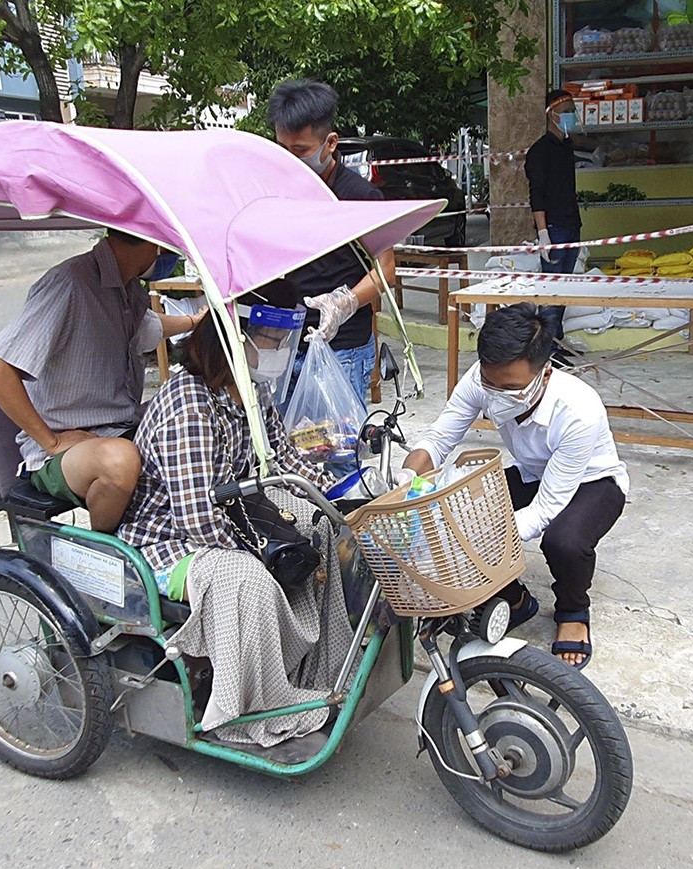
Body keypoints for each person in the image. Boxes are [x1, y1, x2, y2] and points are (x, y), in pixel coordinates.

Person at [117, 308, 352, 758]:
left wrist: (334, 500)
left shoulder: (253, 391)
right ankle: (246, 709)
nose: (278, 350)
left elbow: (284, 461)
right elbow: (197, 517)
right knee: (246, 579)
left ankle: (313, 675)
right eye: (269, 339)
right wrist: (263, 556)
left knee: (321, 532)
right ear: (232, 342)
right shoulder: (188, 402)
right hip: (168, 542)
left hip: (236, 518)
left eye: (282, 340)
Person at [401, 304, 628, 669]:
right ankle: (515, 599)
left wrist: (489, 535)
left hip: (593, 481)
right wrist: (408, 479)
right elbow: (441, 435)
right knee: (455, 510)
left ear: (544, 370)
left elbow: (547, 508)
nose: (497, 394)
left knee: (563, 541)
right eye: (491, 383)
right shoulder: (481, 378)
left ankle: (573, 611)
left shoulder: (579, 409)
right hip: (532, 472)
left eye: (510, 387)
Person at [0, 230, 205, 532]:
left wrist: (194, 323)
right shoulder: (70, 284)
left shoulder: (128, 287)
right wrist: (53, 441)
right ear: (152, 243)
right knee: (119, 461)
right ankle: (106, 553)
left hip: (120, 427)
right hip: (64, 449)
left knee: (194, 411)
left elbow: (147, 327)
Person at [267, 79, 396, 401]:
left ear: (331, 143)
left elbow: (386, 271)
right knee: (286, 446)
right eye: (282, 150)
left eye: (300, 151)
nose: (290, 161)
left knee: (334, 447)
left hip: (342, 348)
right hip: (283, 342)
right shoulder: (276, 193)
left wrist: (343, 303)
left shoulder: (359, 197)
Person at [524, 89, 583, 340]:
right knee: (552, 292)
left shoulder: (567, 147)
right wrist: (543, 233)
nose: (571, 116)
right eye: (566, 112)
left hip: (572, 225)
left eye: (573, 111)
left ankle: (556, 343)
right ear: (552, 115)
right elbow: (537, 194)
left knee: (564, 289)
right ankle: (546, 348)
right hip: (555, 228)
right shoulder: (539, 152)